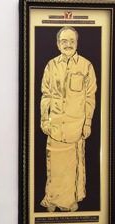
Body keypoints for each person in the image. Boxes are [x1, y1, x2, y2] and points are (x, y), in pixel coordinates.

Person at [40, 26, 97, 212]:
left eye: (72, 41)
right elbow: (46, 95)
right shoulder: (51, 66)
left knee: (72, 166)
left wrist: (87, 123)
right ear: (58, 44)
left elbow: (90, 98)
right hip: (55, 126)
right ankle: (52, 199)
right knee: (54, 165)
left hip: (75, 127)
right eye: (64, 41)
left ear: (77, 43)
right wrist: (44, 120)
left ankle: (68, 202)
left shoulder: (86, 66)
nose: (68, 44)